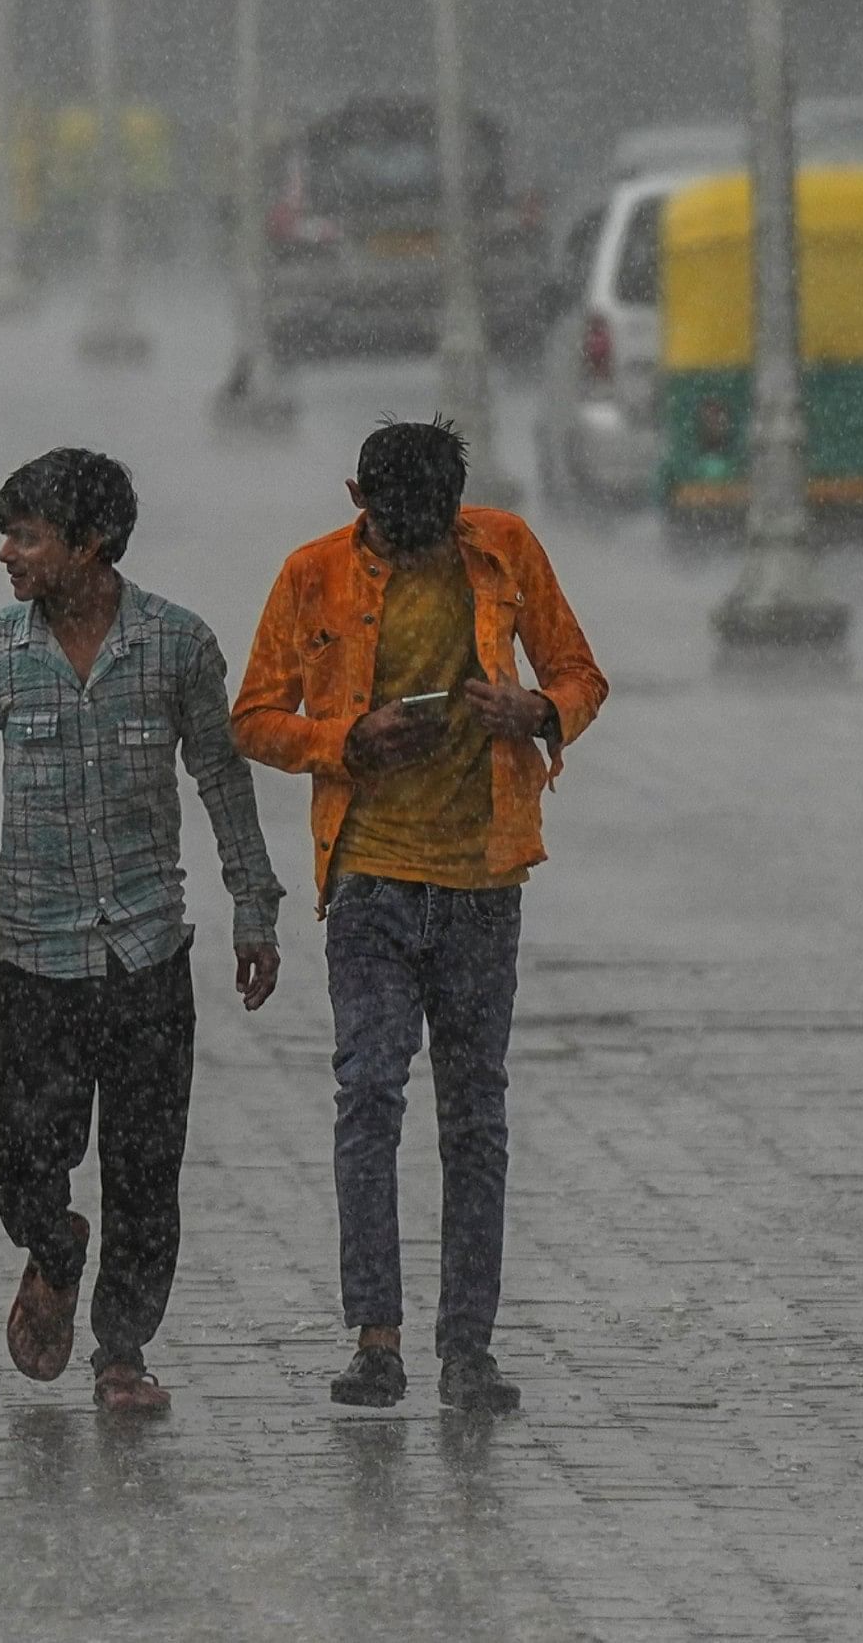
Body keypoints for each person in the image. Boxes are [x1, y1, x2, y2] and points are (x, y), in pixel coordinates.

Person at [232, 420, 607, 1414]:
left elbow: (579, 674)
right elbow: (255, 716)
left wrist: (533, 713)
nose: (420, 547)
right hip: (368, 881)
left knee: (474, 1119)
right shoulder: (312, 575)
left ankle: (467, 1351)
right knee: (368, 1099)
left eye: (435, 527)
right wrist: (348, 740)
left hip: (485, 880)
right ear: (358, 500)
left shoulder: (505, 551)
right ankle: (377, 1340)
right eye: (397, 531)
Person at [0, 448, 283, 1417]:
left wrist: (254, 905)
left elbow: (220, 779)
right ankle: (51, 1245)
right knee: (20, 1156)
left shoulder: (176, 647)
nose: (6, 554)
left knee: (145, 1164)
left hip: (147, 953)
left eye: (27, 537)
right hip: (35, 953)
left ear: (91, 545)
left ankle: (122, 1349)